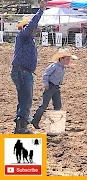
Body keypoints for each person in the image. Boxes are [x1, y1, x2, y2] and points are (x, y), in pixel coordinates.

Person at [11, 0, 46, 134]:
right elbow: (31, 25)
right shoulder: (24, 35)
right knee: (26, 100)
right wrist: (40, 11)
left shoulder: (26, 39)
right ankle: (22, 127)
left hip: (23, 71)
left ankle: (20, 126)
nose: (36, 29)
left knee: (24, 99)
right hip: (23, 72)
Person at [31, 49, 78, 129]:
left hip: (56, 87)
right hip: (50, 86)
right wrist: (46, 83)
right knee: (44, 105)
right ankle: (35, 120)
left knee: (58, 105)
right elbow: (46, 75)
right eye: (67, 59)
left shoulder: (61, 67)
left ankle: (55, 123)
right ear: (61, 59)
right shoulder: (54, 66)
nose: (69, 61)